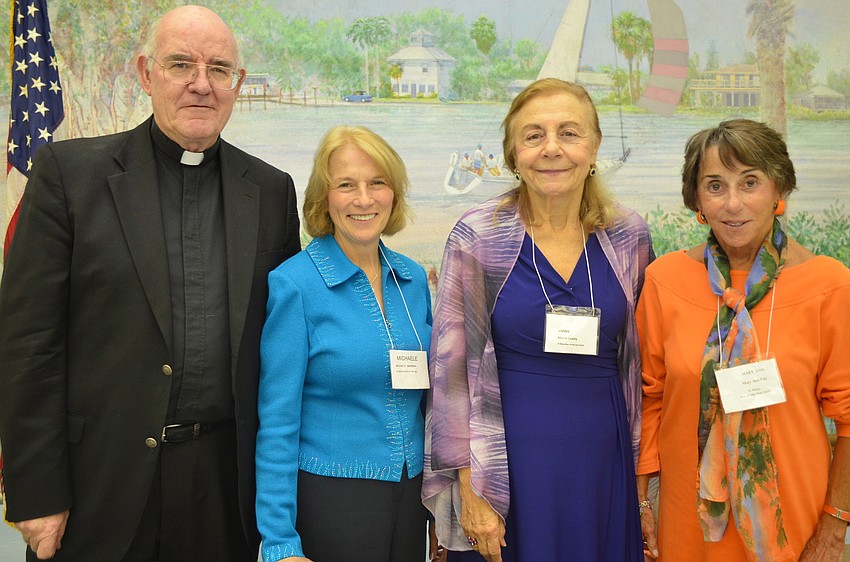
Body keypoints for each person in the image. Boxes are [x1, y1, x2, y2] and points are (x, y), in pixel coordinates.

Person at [0, 5, 301, 561]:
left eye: (219, 69)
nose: (200, 85)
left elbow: (282, 354)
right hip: (100, 488)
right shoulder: (69, 177)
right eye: (181, 64)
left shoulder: (271, 191)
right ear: (145, 73)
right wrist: (36, 492)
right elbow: (27, 348)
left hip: (227, 492)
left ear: (237, 84)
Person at [423, 78, 653, 561]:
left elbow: (643, 364)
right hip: (505, 467)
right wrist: (470, 489)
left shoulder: (628, 235)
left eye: (569, 133)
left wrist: (644, 485)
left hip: (601, 463)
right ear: (512, 154)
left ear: (594, 147)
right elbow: (450, 377)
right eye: (533, 135)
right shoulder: (478, 235)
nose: (552, 148)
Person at [636, 119, 850, 561]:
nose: (733, 203)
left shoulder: (829, 285)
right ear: (697, 199)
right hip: (686, 518)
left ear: (779, 191)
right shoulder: (664, 280)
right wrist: (643, 502)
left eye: (749, 182)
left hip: (793, 522)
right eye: (715, 185)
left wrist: (834, 526)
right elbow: (648, 401)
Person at [255, 125, 433, 562]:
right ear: (324, 197)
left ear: (394, 194)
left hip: (411, 501)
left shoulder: (412, 279)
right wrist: (279, 541)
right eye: (346, 185)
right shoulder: (294, 284)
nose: (363, 198)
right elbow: (277, 422)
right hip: (333, 503)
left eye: (377, 183)